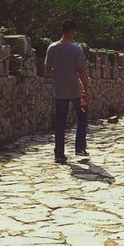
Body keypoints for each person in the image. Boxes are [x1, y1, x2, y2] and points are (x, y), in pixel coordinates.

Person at [45, 20, 88, 164]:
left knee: (60, 122)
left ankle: (59, 153)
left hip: (60, 90)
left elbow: (47, 70)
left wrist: (59, 74)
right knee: (82, 116)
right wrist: (87, 88)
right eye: (74, 31)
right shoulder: (76, 49)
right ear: (70, 31)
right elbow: (81, 70)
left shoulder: (52, 48)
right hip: (77, 89)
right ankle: (80, 147)